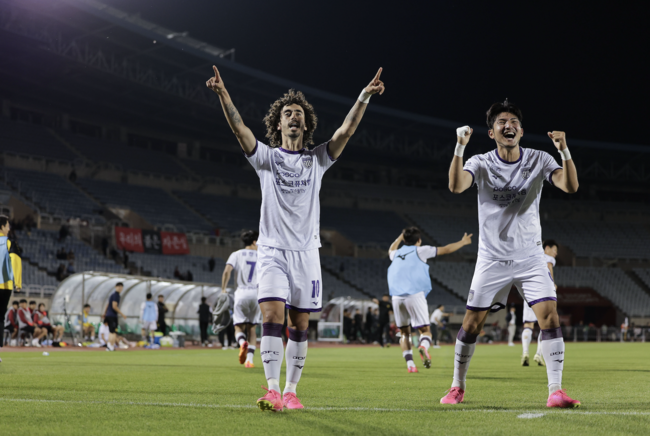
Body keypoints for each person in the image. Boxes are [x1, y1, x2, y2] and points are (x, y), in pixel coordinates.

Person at [206, 64, 385, 412]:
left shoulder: (317, 160)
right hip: (271, 251)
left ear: (305, 124)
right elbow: (240, 129)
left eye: (298, 114)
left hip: (306, 254)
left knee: (300, 324)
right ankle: (272, 389)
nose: (293, 117)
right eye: (287, 113)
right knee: (271, 316)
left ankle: (291, 390)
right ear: (278, 123)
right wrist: (223, 93)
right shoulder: (267, 159)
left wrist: (364, 95)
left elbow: (346, 130)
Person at [442, 100, 580, 408]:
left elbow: (570, 186)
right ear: (491, 132)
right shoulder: (480, 162)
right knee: (471, 325)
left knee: (549, 317)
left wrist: (564, 150)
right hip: (492, 258)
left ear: (521, 130)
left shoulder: (539, 158)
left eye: (514, 121)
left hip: (531, 257)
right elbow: (455, 186)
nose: (509, 125)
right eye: (502, 121)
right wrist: (459, 147)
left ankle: (555, 391)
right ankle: (457, 385)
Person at [388, 227, 472, 373]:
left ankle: (410, 366)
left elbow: (391, 249)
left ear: (404, 239)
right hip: (414, 294)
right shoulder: (420, 250)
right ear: (419, 240)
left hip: (396, 297)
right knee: (425, 331)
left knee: (404, 333)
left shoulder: (395, 254)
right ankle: (423, 347)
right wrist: (463, 242)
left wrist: (400, 237)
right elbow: (445, 249)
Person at [222, 230, 260, 367]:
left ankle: (241, 342)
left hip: (241, 293)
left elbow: (227, 271)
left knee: (239, 327)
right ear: (255, 242)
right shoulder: (261, 255)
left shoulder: (236, 254)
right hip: (256, 294)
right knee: (252, 329)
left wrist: (223, 289)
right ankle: (249, 360)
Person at [521, 240, 558, 366]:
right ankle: (538, 353)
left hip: (527, 291)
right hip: (542, 292)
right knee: (545, 324)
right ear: (547, 248)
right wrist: (552, 284)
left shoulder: (532, 254)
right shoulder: (548, 258)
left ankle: (525, 352)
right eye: (554, 250)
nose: (555, 254)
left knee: (528, 324)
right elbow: (548, 267)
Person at [0, 216, 18, 360]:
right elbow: (14, 262)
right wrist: (17, 281)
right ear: (1, 227)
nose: (9, 228)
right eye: (7, 225)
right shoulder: (6, 243)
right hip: (4, 285)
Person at [103, 282, 126, 351]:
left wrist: (105, 313)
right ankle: (110, 346)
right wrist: (122, 314)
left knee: (111, 332)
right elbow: (114, 306)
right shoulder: (116, 295)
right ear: (116, 287)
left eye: (121, 287)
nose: (120, 288)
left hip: (109, 315)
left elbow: (108, 304)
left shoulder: (112, 295)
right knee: (113, 332)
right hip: (112, 316)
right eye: (118, 286)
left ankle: (110, 346)